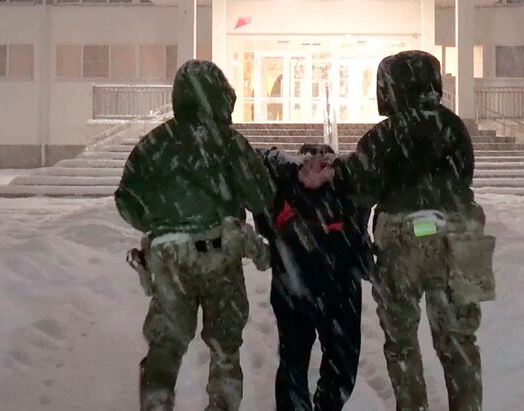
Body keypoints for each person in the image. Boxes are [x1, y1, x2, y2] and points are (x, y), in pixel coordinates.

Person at [301, 50, 496, 411]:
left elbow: (363, 185)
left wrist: (333, 174)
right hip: (457, 237)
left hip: (404, 242)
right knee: (459, 341)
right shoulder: (453, 127)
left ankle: (412, 405)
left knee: (402, 340)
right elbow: (463, 175)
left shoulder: (387, 134)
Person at [114, 60, 275, 411]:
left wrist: (163, 224)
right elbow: (261, 195)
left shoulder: (154, 143)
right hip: (221, 252)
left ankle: (157, 403)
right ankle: (222, 404)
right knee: (225, 345)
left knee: (166, 344)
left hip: (168, 256)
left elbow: (127, 201)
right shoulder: (228, 142)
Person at [254, 144, 372, 411]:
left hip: (295, 281)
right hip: (337, 285)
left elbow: (265, 221)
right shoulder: (347, 186)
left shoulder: (283, 184)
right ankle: (325, 404)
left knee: (294, 358)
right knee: (339, 359)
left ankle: (302, 405)